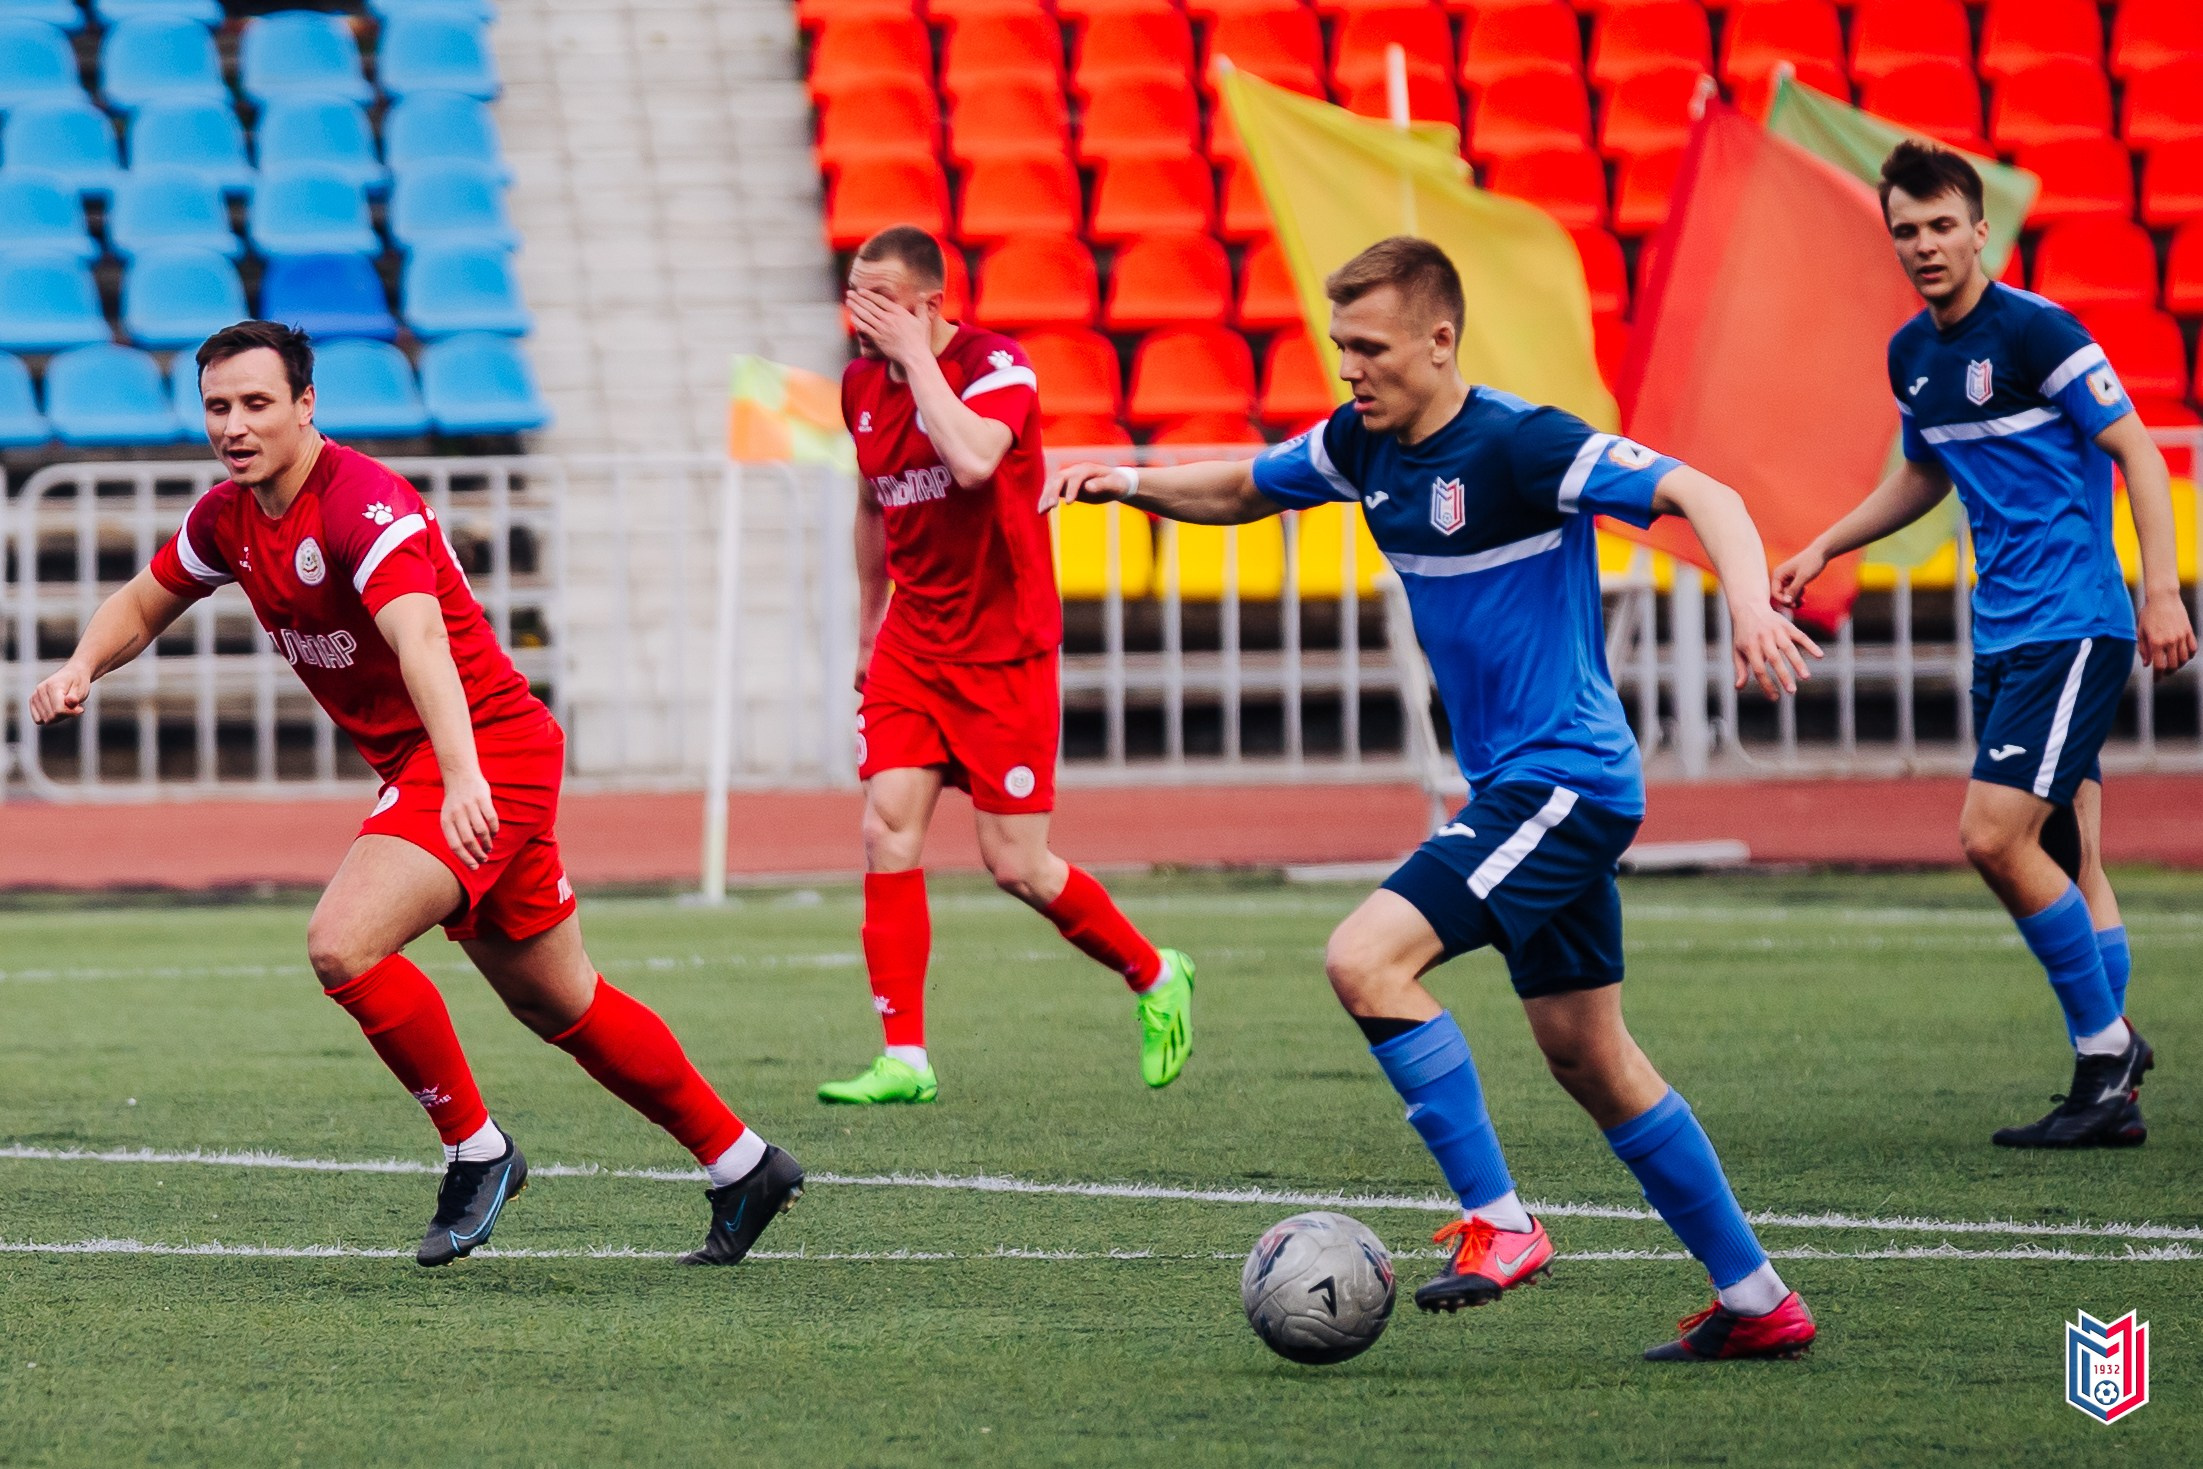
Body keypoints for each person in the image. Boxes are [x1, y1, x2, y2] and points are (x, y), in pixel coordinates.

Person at [1046, 237, 1824, 1362]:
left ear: (1438, 338)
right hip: (1529, 786)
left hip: (1562, 780)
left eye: (1367, 347)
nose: (1349, 367)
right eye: (1339, 346)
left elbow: (1703, 491)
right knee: (1590, 1056)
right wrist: (1128, 484)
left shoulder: (1518, 442)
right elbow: (1243, 485)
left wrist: (1748, 605)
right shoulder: (1364, 445)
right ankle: (1757, 1297)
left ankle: (1499, 1223)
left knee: (1364, 959)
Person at [29, 322, 804, 1267]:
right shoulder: (226, 517)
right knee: (562, 1002)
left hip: (482, 755)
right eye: (218, 407)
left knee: (342, 943)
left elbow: (422, 641)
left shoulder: (362, 503)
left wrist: (464, 775)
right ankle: (743, 1162)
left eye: (257, 404)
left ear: (307, 406)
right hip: (455, 764)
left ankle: (479, 1152)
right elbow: (146, 600)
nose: (234, 425)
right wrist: (81, 665)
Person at [1775, 143, 2196, 1149]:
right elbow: (1925, 472)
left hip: (2072, 625)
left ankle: (2107, 1047)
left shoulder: (2037, 330)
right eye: (1904, 231)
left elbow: (2136, 448)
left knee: (1990, 836)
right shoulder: (1910, 354)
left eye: (1937, 226)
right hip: (2002, 632)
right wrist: (1826, 542)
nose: (1921, 245)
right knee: (2070, 854)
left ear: (1978, 231)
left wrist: (2162, 589)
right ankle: (2106, 1093)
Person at [817, 225, 1195, 1106]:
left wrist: (919, 361)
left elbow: (976, 458)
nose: (858, 312)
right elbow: (871, 507)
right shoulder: (858, 385)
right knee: (885, 826)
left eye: (879, 298)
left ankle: (1153, 972)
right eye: (852, 293)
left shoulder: (998, 369)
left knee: (1016, 863)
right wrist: (869, 626)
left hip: (1005, 646)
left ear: (928, 305)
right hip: (915, 638)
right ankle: (904, 1055)